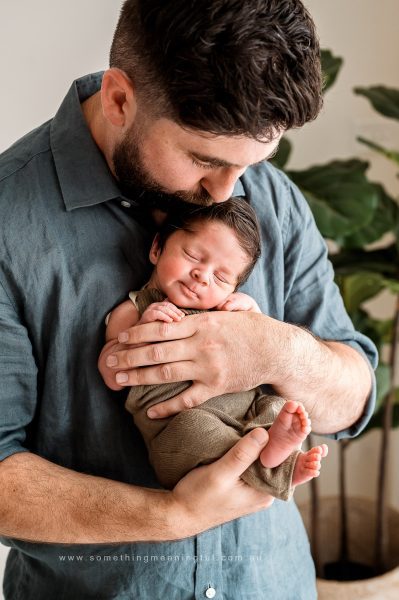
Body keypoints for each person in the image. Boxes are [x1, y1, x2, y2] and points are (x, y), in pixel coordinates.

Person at [0, 1, 377, 598]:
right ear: (121, 99)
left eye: (252, 164)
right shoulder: (6, 223)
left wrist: (274, 352)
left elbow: (354, 397)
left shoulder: (274, 198)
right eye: (204, 158)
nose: (227, 192)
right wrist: (172, 515)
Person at [101, 198, 329, 499]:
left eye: (221, 278)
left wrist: (254, 317)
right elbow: (110, 373)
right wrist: (143, 330)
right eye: (193, 255)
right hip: (176, 433)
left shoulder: (226, 310)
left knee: (276, 407)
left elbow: (262, 352)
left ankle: (276, 454)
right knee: (195, 430)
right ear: (157, 248)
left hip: (245, 411)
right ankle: (274, 468)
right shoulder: (133, 310)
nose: (202, 276)